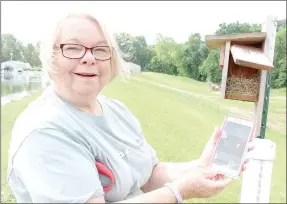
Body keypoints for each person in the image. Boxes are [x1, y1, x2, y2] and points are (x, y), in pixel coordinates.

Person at [7, 12, 254, 203]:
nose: (89, 57)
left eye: (100, 49)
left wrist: (199, 166)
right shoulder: (43, 133)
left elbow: (150, 174)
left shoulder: (115, 110)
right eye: (73, 47)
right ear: (51, 57)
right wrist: (178, 192)